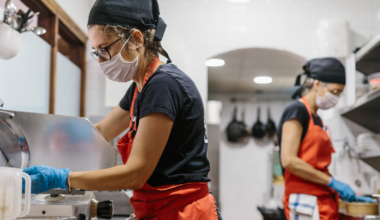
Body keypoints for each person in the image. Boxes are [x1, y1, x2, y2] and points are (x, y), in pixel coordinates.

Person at [22, 1, 222, 219]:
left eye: (104, 49)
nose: (100, 60)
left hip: (183, 212)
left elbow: (136, 173)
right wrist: (48, 141)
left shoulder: (163, 85)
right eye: (95, 52)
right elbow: (98, 135)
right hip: (159, 209)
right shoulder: (140, 87)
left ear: (136, 39)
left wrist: (63, 178)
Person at [278, 58, 375, 220]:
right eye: (334, 92)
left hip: (321, 198)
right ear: (317, 84)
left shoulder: (317, 118)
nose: (335, 98)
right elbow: (288, 160)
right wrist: (332, 182)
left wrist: (335, 188)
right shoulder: (297, 111)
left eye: (339, 94)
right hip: (306, 201)